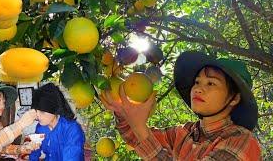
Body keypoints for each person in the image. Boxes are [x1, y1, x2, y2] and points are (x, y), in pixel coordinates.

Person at [100, 51, 262, 160]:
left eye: (211, 83)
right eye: (197, 82)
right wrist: (122, 110)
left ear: (233, 98)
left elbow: (142, 135)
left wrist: (140, 129)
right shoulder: (184, 133)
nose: (198, 88)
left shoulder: (242, 141)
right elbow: (134, 138)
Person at [29, 83, 85, 161]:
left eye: (42, 111)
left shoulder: (72, 129)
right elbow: (34, 153)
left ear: (54, 109)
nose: (37, 115)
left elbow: (71, 158)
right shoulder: (40, 128)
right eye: (36, 110)